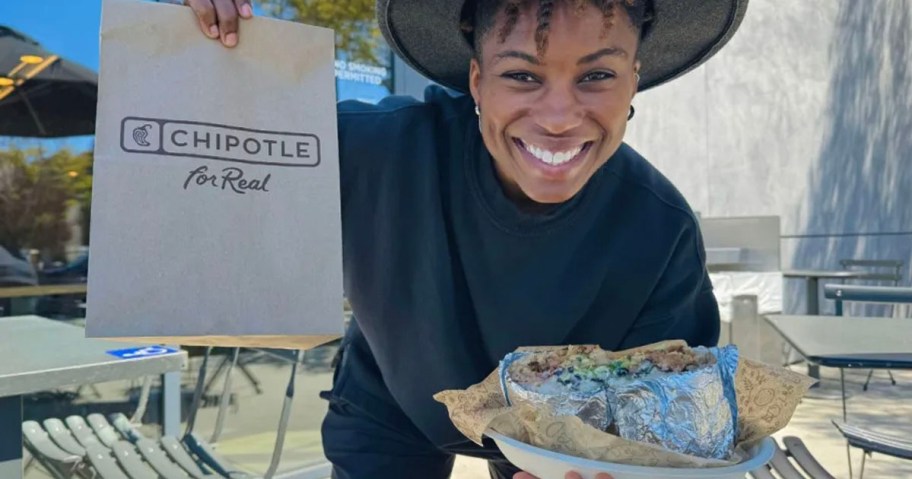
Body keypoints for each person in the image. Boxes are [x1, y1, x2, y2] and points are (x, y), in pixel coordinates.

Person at [177, 0, 748, 477]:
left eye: (596, 76)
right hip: (390, 405)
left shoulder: (660, 229)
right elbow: (213, 137)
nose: (557, 117)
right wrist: (199, 37)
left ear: (633, 82)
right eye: (522, 75)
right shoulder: (379, 152)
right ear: (477, 81)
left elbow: (667, 423)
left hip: (557, 435)